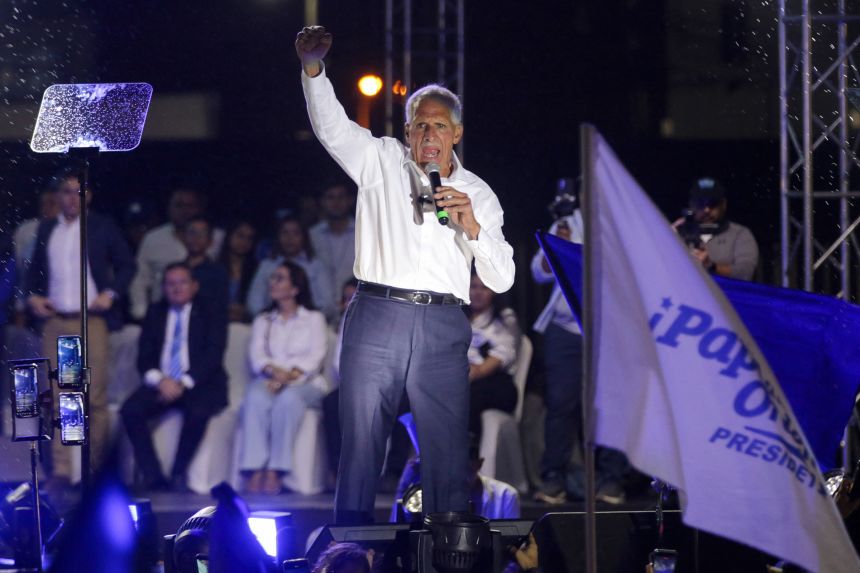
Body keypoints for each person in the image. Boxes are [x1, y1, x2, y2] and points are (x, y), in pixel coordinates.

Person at [296, 25, 515, 523]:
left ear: (456, 133)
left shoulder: (478, 193)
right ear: (407, 130)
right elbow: (332, 127)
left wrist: (473, 228)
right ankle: (350, 547)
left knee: (444, 451)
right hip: (377, 313)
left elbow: (501, 280)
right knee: (362, 442)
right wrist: (314, 69)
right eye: (419, 125)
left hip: (442, 324)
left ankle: (443, 551)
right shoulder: (381, 161)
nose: (428, 135)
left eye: (439, 126)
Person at [26, 166, 136, 486]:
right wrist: (33, 297)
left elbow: (128, 264)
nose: (72, 199)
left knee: (94, 395)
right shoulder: (48, 228)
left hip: (92, 320)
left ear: (88, 196)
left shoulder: (101, 226)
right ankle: (61, 470)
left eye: (78, 192)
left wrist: (111, 294)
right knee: (58, 395)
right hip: (56, 319)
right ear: (57, 196)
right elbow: (33, 271)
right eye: (66, 192)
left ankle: (96, 469)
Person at [531, 198, 626, 505]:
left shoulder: (624, 222)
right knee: (560, 405)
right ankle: (553, 477)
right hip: (565, 329)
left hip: (607, 331)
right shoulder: (568, 221)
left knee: (610, 406)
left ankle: (612, 478)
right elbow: (539, 271)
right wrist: (556, 246)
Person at [120, 262, 228, 492]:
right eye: (171, 284)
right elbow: (144, 358)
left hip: (199, 382)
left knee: (198, 410)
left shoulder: (211, 311)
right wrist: (161, 381)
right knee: (130, 410)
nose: (176, 289)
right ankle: (154, 478)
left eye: (182, 283)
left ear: (194, 286)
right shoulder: (155, 312)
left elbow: (213, 355)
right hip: (163, 381)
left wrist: (183, 383)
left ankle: (179, 473)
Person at [239, 260, 328, 495]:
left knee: (288, 400)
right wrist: (273, 372)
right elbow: (257, 355)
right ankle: (254, 467)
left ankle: (276, 470)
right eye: (273, 278)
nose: (273, 283)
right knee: (255, 397)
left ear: (295, 287)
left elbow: (315, 356)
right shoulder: (264, 320)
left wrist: (288, 376)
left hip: (305, 383)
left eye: (280, 278)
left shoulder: (313, 318)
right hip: (271, 379)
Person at [129, 188, 224, 320]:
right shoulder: (153, 238)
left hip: (204, 319)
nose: (185, 211)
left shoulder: (218, 238)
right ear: (169, 207)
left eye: (190, 205)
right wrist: (141, 312)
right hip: (161, 316)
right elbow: (139, 279)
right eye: (179, 205)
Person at [246, 215, 335, 322]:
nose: (290, 238)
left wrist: (308, 319)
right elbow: (254, 303)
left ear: (304, 237)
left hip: (309, 324)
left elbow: (328, 304)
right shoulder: (267, 266)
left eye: (296, 233)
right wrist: (271, 319)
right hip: (272, 323)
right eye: (285, 233)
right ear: (278, 236)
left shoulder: (316, 266)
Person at [466, 273, 519, 439]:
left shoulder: (505, 318)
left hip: (495, 382)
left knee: (467, 395)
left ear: (494, 291)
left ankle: (470, 453)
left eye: (484, 287)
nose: (478, 292)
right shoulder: (457, 317)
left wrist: (474, 372)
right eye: (473, 287)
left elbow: (503, 354)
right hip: (463, 377)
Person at [673, 177, 759, 280]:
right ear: (691, 204)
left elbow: (746, 273)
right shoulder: (678, 233)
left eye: (712, 203)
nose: (706, 210)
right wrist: (665, 238)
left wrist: (712, 266)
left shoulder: (740, 234)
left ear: (724, 204)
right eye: (701, 203)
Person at [309, 182, 356, 320]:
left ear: (350, 200)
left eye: (341, 197)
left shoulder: (363, 232)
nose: (336, 202)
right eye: (330, 197)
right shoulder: (312, 235)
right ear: (323, 202)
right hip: (320, 310)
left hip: (352, 307)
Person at [182, 216, 230, 326]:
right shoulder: (175, 270)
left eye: (202, 234)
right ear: (184, 237)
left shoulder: (218, 272)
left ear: (210, 241)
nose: (196, 238)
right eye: (192, 233)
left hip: (204, 328)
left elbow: (219, 310)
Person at [218, 220, 259, 323]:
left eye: (249, 238)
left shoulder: (256, 269)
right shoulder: (216, 267)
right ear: (230, 236)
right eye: (240, 236)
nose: (244, 242)